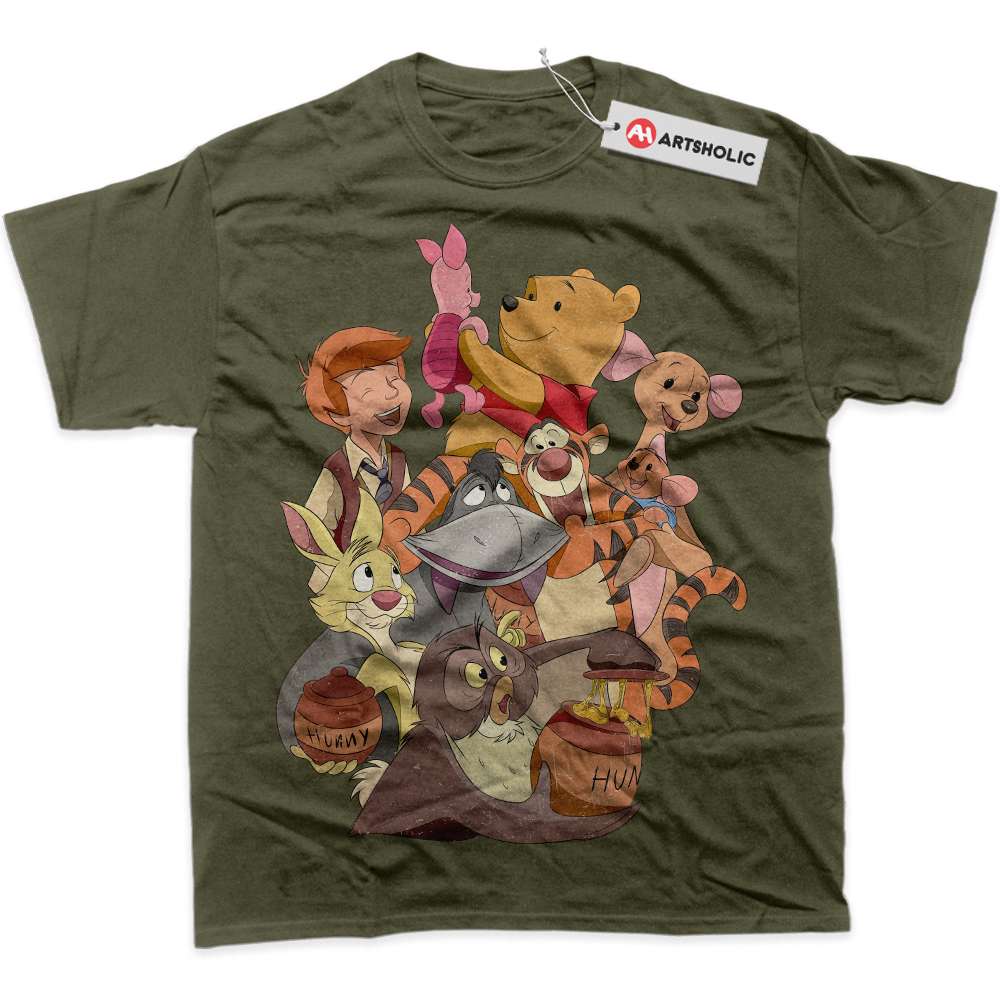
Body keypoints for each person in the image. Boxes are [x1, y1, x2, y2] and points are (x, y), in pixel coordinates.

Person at [300, 327, 412, 590]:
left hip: (397, 581)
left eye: (394, 379)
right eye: (368, 389)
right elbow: (311, 531)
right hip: (352, 589)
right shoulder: (337, 470)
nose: (391, 394)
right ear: (337, 414)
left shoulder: (397, 460)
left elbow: (412, 517)